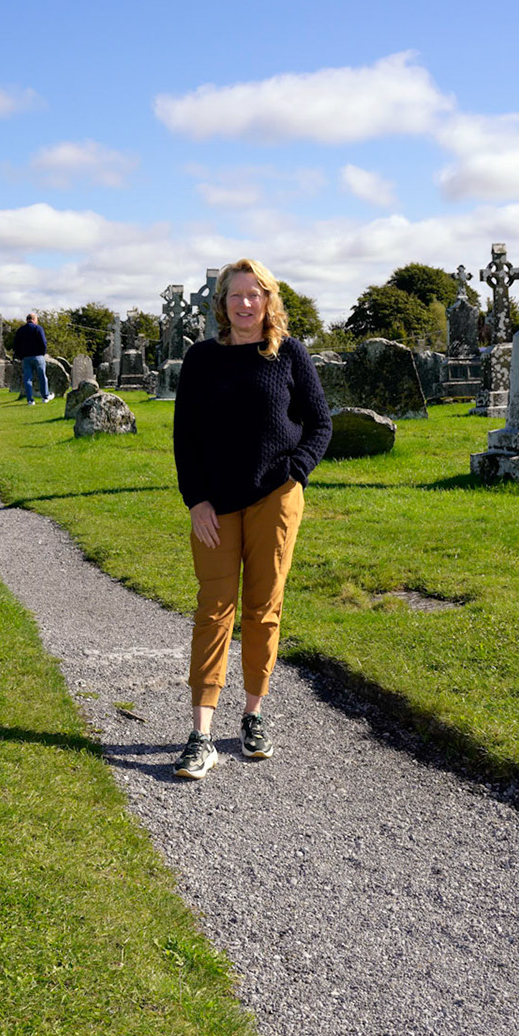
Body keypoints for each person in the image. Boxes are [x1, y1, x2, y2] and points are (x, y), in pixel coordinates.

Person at [169, 257, 332, 780]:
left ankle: (253, 715)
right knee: (214, 609)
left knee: (264, 607)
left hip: (274, 499)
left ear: (268, 300)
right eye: (236, 295)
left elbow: (320, 424)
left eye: (254, 295)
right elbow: (185, 437)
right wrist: (196, 500)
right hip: (215, 505)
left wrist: (297, 472)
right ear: (223, 302)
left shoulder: (288, 355)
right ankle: (201, 733)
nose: (245, 304)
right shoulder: (201, 360)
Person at [12, 311, 52, 405]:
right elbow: (43, 342)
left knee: (28, 379)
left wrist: (20, 355)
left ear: (27, 320)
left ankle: (30, 400)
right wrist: (43, 353)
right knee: (42, 376)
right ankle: (45, 397)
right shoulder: (38, 328)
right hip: (38, 356)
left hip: (26, 357)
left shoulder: (21, 330)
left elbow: (16, 345)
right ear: (34, 320)